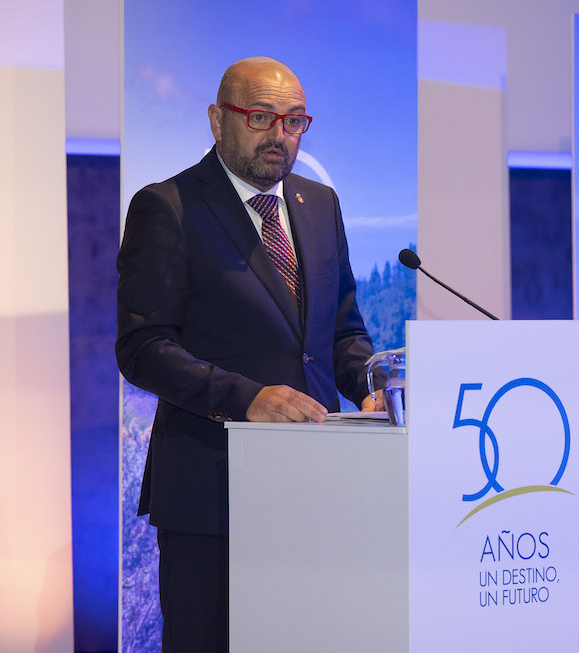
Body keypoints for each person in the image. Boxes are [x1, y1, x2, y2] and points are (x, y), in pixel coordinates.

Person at [116, 56, 384, 652]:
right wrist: (247, 400)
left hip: (319, 485)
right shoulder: (168, 207)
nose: (280, 137)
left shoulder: (321, 205)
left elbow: (341, 330)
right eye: (261, 118)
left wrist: (369, 381)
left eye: (294, 122)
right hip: (213, 490)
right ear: (218, 120)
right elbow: (143, 347)